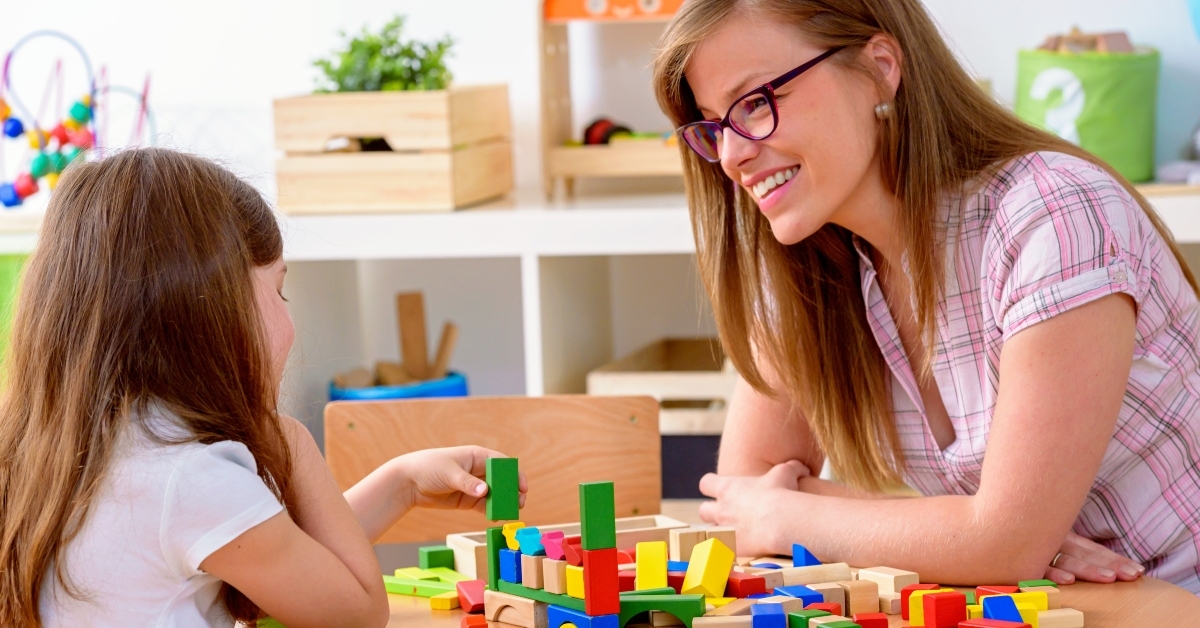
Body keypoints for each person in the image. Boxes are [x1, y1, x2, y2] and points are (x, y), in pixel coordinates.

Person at [653, 0, 1200, 592]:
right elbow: (742, 497)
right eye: (712, 125)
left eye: (756, 103)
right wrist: (965, 537)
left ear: (880, 67)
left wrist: (990, 540)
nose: (731, 156)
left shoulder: (1055, 217)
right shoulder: (808, 259)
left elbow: (1001, 547)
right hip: (1043, 607)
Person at [0, 148, 526, 627]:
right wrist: (288, 439)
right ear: (212, 309)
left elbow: (288, 565)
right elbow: (357, 609)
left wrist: (401, 485)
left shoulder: (61, 447)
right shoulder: (187, 478)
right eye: (280, 290)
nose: (289, 320)